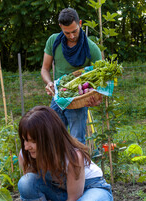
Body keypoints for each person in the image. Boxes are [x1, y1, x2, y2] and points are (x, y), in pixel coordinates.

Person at [17, 106, 113, 201]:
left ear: (49, 139)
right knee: (26, 183)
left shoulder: (72, 157)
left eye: (33, 141)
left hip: (91, 188)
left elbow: (73, 199)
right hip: (61, 191)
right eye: (24, 140)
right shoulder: (26, 155)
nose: (26, 146)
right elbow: (29, 198)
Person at [41, 8, 103, 144]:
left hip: (78, 102)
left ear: (80, 23)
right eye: (67, 32)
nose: (72, 36)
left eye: (74, 31)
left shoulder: (92, 49)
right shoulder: (53, 41)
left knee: (77, 143)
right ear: (60, 27)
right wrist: (49, 83)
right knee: (53, 139)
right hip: (58, 98)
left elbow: (102, 81)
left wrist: (97, 98)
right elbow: (45, 69)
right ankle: (58, 166)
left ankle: (77, 166)